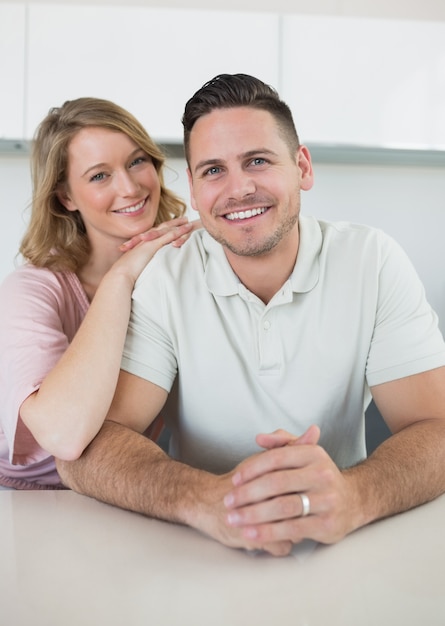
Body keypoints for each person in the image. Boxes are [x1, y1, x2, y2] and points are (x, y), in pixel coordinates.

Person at [56, 74, 445, 556]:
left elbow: (436, 426)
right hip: (200, 551)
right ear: (195, 191)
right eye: (213, 170)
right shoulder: (164, 277)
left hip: (348, 547)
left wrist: (356, 496)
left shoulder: (373, 260)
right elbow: (86, 453)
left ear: (302, 166)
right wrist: (207, 501)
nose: (238, 189)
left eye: (257, 161)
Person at [0, 96, 197, 490]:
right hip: (30, 501)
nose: (129, 187)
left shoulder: (179, 264)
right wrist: (119, 277)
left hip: (122, 486)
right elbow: (66, 436)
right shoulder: (31, 291)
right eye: (99, 176)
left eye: (137, 161)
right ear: (66, 197)